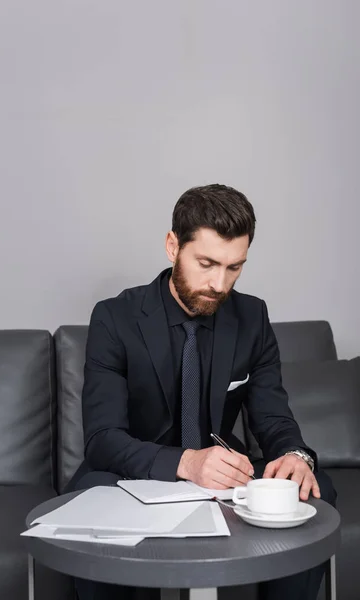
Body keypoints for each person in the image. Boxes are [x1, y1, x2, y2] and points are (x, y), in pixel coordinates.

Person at [66, 184, 336, 600]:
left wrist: (295, 457)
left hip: (223, 477)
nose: (219, 283)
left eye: (234, 267)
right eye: (207, 263)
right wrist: (186, 463)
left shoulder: (252, 316)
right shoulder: (114, 317)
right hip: (132, 472)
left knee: (315, 487)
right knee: (88, 494)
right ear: (173, 246)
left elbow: (273, 417)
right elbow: (102, 440)